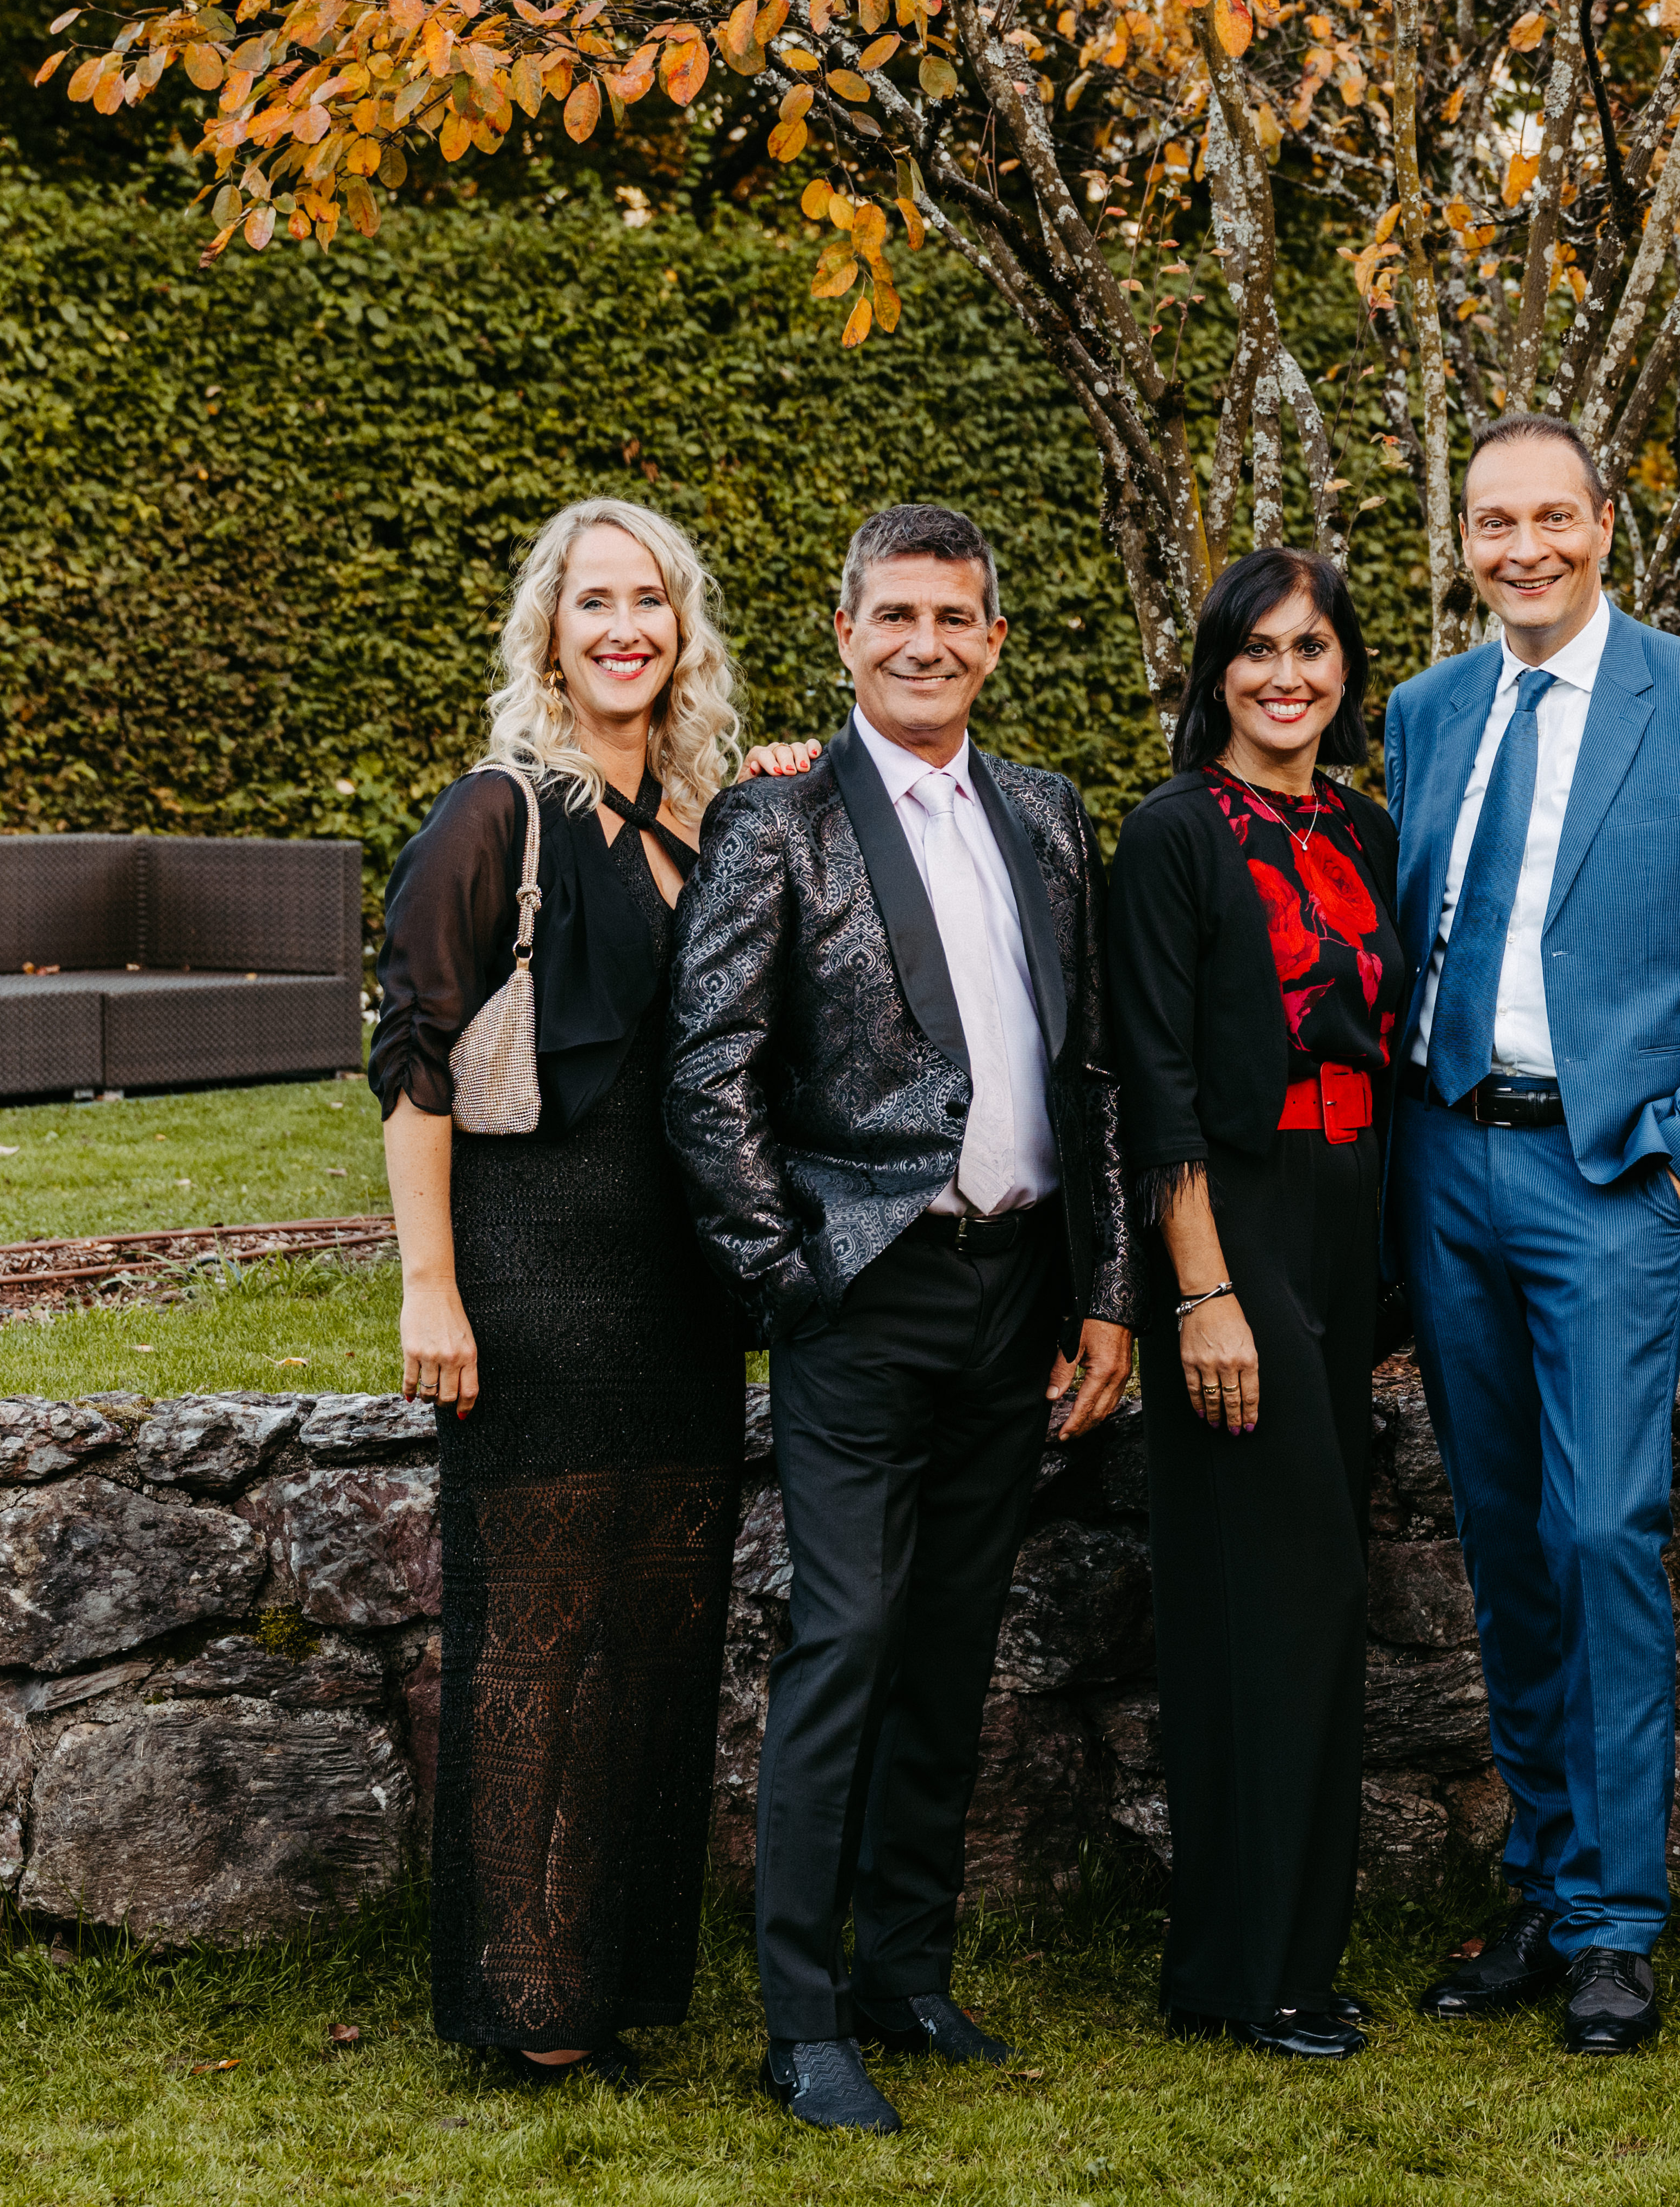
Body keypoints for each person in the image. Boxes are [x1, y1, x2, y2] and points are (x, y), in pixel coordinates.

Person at [665, 502, 1136, 2136]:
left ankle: (907, 1975)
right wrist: (787, 1275)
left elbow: (1093, 1076)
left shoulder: (1052, 814)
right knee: (846, 1638)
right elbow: (706, 1072)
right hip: (859, 1291)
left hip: (1018, 1297)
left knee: (950, 1646)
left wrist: (1108, 1291)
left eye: (955, 618)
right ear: (848, 634)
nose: (925, 643)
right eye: (896, 618)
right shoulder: (774, 821)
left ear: (995, 640)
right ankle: (801, 2021)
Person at [1387, 412, 1680, 2055]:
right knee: (1502, 1542)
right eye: (1497, 524)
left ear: (1605, 523)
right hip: (1445, 1167)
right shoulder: (1427, 714)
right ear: (1469, 540)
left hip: (1608, 1178)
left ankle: (1623, 1926)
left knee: (1604, 1536)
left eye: (1553, 518)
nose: (1525, 550)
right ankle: (1546, 1885)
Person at [370, 496, 749, 2091]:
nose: (622, 628)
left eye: (648, 602)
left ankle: (614, 1981)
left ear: (681, 634)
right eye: (593, 601)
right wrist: (430, 1288)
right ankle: (521, 1999)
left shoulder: (703, 823)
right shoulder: (495, 813)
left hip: (682, 1288)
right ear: (549, 631)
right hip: (531, 1270)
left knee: (657, 1642)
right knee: (530, 1640)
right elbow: (412, 1064)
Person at [1108, 548, 1406, 2061]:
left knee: (1314, 1594)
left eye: (1314, 648)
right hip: (1235, 1230)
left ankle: (1293, 1955)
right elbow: (1153, 1087)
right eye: (1258, 650)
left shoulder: (1364, 826)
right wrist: (1204, 1291)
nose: (1288, 675)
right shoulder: (1169, 838)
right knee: (1278, 1599)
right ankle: (1241, 1966)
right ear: (1215, 668)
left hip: (1349, 1231)